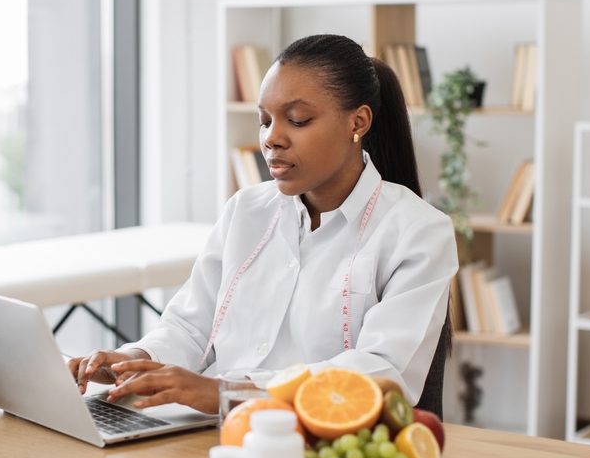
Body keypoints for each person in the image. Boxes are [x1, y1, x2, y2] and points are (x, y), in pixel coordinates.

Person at [68, 34, 459, 416]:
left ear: (357, 122)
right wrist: (131, 361)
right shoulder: (246, 210)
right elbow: (191, 327)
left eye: (297, 120)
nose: (272, 139)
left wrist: (228, 393)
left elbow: (383, 372)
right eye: (265, 120)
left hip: (317, 447)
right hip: (214, 434)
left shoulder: (419, 232)